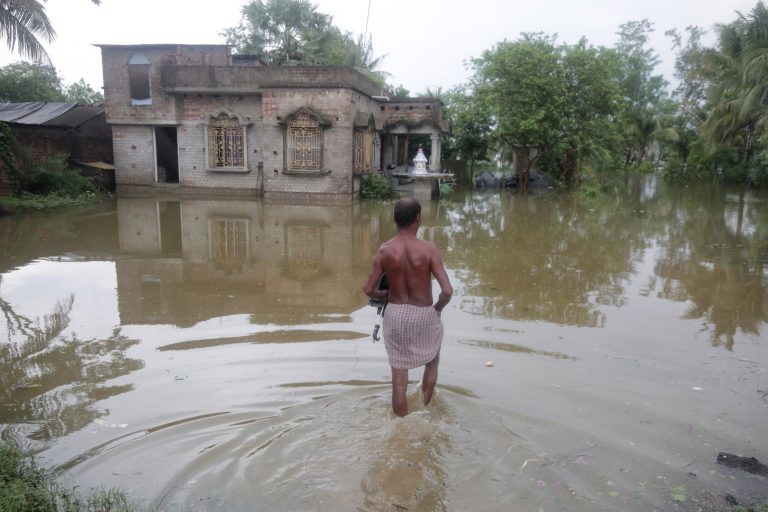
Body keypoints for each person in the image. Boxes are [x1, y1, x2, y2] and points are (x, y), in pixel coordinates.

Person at [363, 197, 453, 416]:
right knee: (432, 361)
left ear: (395, 220)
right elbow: (447, 291)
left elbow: (368, 289)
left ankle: (401, 423)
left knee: (398, 374)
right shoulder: (429, 249)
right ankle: (423, 411)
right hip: (424, 313)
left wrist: (384, 294)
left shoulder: (385, 250)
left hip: (395, 314)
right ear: (418, 219)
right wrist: (437, 309)